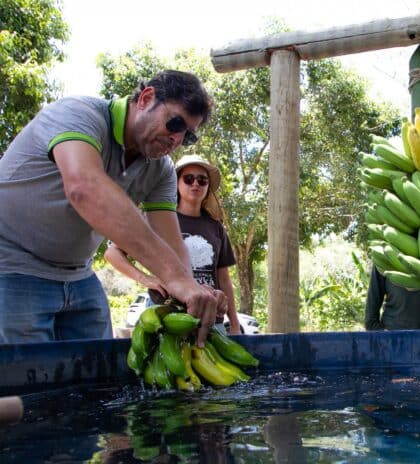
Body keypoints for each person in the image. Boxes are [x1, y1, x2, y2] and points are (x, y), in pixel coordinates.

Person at [0, 70, 225, 346]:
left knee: (99, 381)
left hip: (78, 274)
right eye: (175, 124)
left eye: (187, 136)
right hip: (11, 265)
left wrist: (190, 292)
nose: (176, 139)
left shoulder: (161, 171)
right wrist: (176, 277)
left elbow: (171, 241)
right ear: (145, 98)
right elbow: (85, 188)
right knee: (32, 381)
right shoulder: (77, 114)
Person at [105, 154, 241, 334]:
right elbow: (112, 253)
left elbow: (224, 279)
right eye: (188, 178)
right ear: (176, 183)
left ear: (208, 187)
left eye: (202, 180)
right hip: (166, 315)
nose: (195, 184)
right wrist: (145, 279)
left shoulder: (216, 228)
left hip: (209, 316)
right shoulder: (159, 218)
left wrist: (235, 324)